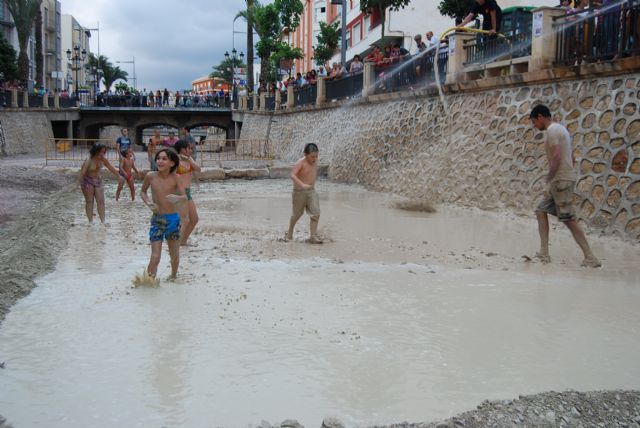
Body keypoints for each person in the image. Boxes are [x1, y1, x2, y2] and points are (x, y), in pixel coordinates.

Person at [529, 104, 601, 267]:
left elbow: (556, 156)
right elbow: (572, 157)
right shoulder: (562, 130)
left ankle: (591, 257)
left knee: (568, 219)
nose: (534, 125)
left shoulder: (553, 131)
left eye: (534, 122)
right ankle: (544, 253)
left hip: (561, 181)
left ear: (540, 117)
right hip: (562, 179)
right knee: (541, 210)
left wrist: (549, 178)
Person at [140, 148, 187, 280]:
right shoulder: (150, 176)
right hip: (157, 220)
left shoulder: (176, 178)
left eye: (164, 159)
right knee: (155, 256)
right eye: (158, 158)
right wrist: (149, 203)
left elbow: (185, 196)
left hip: (173, 220)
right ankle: (149, 284)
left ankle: (173, 276)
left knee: (174, 254)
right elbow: (143, 192)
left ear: (172, 163)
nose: (160, 161)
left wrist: (177, 198)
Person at [285, 143, 322, 244]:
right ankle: (289, 233)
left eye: (316, 156)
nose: (314, 159)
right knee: (297, 214)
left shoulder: (315, 162)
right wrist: (302, 185)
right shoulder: (301, 162)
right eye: (312, 157)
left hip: (311, 191)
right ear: (305, 155)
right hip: (299, 192)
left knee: (316, 213)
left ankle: (313, 236)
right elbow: (292, 175)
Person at [78, 143, 119, 225]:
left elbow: (110, 167)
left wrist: (119, 176)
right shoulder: (88, 160)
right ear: (96, 151)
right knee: (89, 201)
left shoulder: (103, 159)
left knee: (101, 201)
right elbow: (82, 173)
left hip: (98, 181)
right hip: (87, 181)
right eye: (101, 152)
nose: (102, 154)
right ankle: (90, 221)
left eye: (104, 152)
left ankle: (103, 221)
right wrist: (78, 184)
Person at [174, 140, 201, 246]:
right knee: (183, 221)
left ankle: (182, 241)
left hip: (188, 192)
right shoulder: (175, 160)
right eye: (189, 148)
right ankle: (175, 242)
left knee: (194, 219)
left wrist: (189, 160)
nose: (191, 150)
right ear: (182, 149)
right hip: (178, 193)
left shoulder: (190, 159)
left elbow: (198, 169)